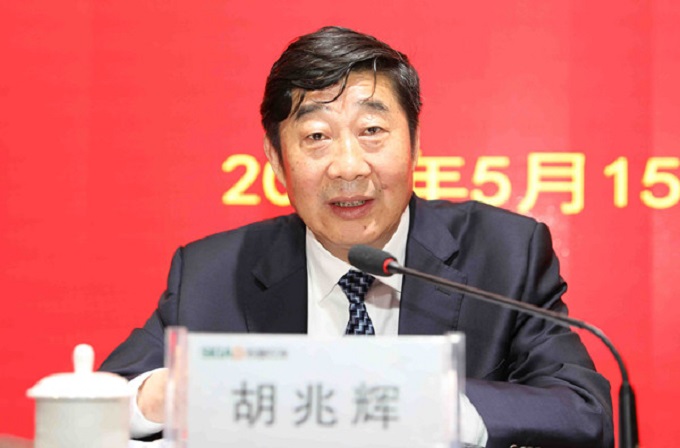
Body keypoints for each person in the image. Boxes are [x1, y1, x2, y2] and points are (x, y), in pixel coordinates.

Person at [100, 26, 614, 447]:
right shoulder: (212, 274)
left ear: (415, 143)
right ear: (276, 159)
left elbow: (582, 411)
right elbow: (100, 404)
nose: (348, 166)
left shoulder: (504, 254)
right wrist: (163, 396)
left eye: (372, 131)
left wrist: (430, 404)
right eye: (316, 137)